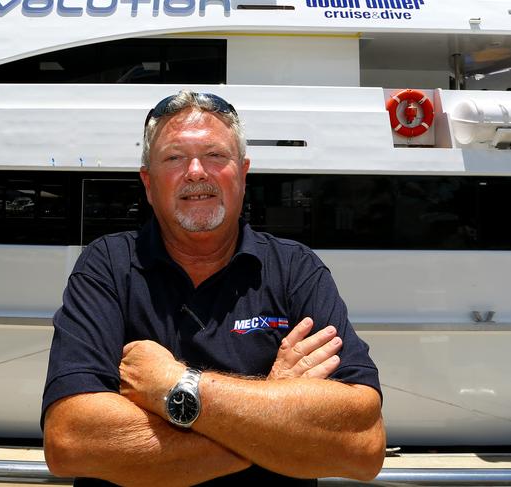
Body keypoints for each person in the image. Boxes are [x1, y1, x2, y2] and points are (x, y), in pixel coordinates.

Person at [42, 91, 386, 486]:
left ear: (243, 172)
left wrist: (173, 385)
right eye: (173, 158)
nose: (196, 172)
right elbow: (70, 441)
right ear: (148, 183)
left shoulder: (295, 269)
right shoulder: (107, 267)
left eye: (215, 156)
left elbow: (362, 445)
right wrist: (273, 411)